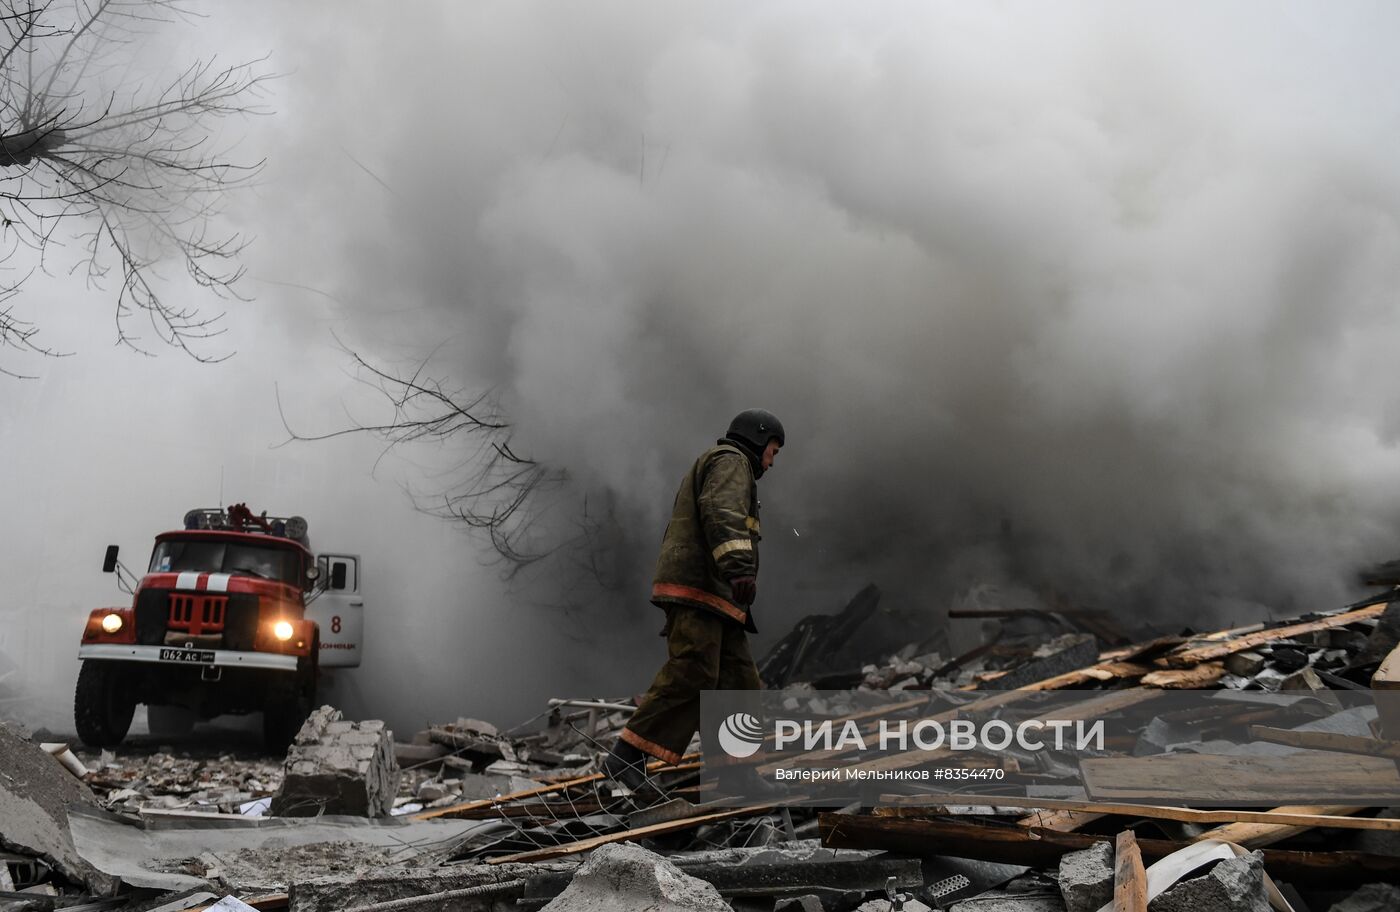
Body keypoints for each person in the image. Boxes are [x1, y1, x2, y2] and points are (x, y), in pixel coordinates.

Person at [603, 408, 785, 787]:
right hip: (701, 588)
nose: (772, 459)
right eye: (773, 449)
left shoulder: (724, 464)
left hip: (719, 598)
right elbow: (720, 511)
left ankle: (738, 774)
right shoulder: (731, 461)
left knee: (739, 683)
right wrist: (738, 566)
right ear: (758, 437)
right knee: (694, 669)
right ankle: (626, 756)